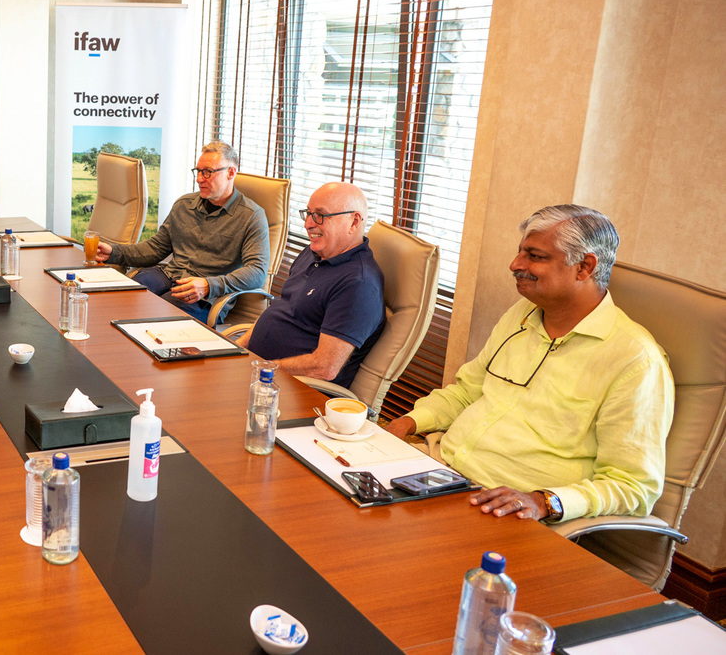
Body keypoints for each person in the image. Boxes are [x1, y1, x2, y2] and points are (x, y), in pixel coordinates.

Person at [386, 205, 673, 524]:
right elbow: (467, 392)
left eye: (534, 256)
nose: (515, 264)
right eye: (520, 252)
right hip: (439, 474)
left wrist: (545, 501)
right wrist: (406, 424)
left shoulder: (635, 360)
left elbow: (634, 486)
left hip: (504, 510)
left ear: (584, 267)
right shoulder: (520, 315)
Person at [94, 141, 269, 322]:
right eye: (198, 171)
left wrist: (209, 285)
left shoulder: (252, 216)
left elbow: (256, 271)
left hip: (204, 296)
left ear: (231, 173)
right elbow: (155, 248)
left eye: (207, 172)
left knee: (153, 317)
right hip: (168, 276)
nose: (199, 178)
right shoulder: (184, 205)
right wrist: (114, 252)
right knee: (115, 299)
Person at [236, 182, 384, 387]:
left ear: (354, 221)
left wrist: (259, 370)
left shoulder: (358, 284)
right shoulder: (314, 252)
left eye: (320, 216)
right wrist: (235, 349)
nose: (308, 224)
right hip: (258, 371)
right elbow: (281, 311)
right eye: (308, 213)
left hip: (289, 388)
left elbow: (324, 367)